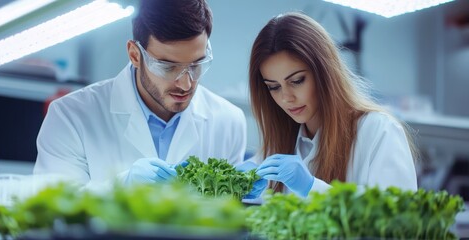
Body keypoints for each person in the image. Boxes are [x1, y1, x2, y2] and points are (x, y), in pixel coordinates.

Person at [33, 0, 247, 187]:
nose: (185, 83)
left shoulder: (229, 122)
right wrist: (120, 186)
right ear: (135, 55)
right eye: (167, 67)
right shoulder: (70, 116)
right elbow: (53, 210)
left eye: (197, 65)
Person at [246, 12, 418, 198]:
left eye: (297, 81)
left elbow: (396, 215)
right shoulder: (281, 138)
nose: (286, 97)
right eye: (274, 87)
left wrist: (311, 188)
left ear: (325, 73)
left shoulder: (378, 130)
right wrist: (243, 182)